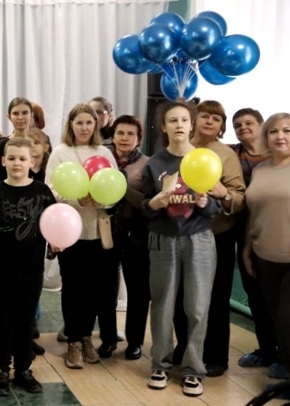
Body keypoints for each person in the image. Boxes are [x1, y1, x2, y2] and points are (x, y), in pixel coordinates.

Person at [141, 100, 220, 397]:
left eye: (184, 120)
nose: (178, 125)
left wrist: (205, 202)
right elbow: (145, 208)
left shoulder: (205, 159)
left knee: (197, 307)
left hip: (199, 239)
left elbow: (216, 207)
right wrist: (154, 203)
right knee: (162, 304)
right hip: (163, 239)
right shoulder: (154, 164)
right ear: (163, 127)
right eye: (172, 120)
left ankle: (193, 369)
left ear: (191, 124)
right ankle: (160, 364)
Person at [0, 137, 55, 396]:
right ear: (3, 161)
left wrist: (55, 244)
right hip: (0, 270)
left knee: (25, 321)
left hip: (31, 270)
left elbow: (53, 226)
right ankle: (1, 371)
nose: (17, 163)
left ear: (32, 161)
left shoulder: (43, 192)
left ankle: (23, 370)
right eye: (11, 158)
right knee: (1, 322)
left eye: (22, 158)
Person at [173, 100, 246, 377]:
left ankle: (215, 356)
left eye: (216, 119)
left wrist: (223, 193)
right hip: (179, 235)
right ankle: (185, 347)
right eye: (205, 116)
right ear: (194, 119)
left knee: (215, 299)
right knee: (181, 297)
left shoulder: (226, 155)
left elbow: (239, 198)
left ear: (221, 127)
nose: (210, 122)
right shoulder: (178, 148)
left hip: (216, 237)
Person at [44, 103, 119, 369]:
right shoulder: (60, 153)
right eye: (79, 123)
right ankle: (74, 341)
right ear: (71, 125)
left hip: (98, 232)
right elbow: (51, 190)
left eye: (89, 122)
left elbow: (115, 189)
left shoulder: (105, 153)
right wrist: (77, 200)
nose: (84, 127)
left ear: (96, 125)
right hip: (69, 233)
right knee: (73, 289)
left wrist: (101, 200)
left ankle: (87, 337)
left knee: (94, 291)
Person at [229, 109, 282, 376]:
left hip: (280, 237)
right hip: (250, 237)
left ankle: (284, 356)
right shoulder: (234, 155)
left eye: (249, 123)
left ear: (261, 126)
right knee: (258, 298)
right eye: (237, 125)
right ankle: (267, 351)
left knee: (283, 306)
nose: (243, 128)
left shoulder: (278, 156)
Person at [244, 112, 290, 387]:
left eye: (287, 130)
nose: (280, 136)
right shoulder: (259, 170)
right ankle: (286, 370)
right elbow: (254, 212)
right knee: (276, 318)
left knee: (287, 319)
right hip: (265, 256)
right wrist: (247, 249)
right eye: (274, 131)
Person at [108, 115, 150, 360]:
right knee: (105, 290)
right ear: (113, 136)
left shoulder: (147, 164)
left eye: (130, 134)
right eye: (120, 133)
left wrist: (123, 188)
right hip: (105, 231)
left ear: (138, 139)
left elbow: (149, 203)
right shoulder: (102, 159)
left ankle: (135, 341)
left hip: (137, 234)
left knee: (138, 291)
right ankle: (108, 337)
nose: (124, 138)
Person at [0, 98, 33, 182]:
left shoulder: (40, 143)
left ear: (31, 115)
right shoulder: (1, 145)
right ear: (9, 117)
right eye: (15, 113)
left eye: (25, 113)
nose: (20, 117)